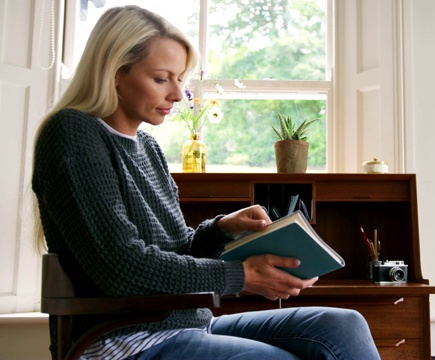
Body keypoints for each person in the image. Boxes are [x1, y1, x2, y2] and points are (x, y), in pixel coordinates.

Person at [31, 5, 379, 360]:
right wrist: (239, 276)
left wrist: (223, 229)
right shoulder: (73, 133)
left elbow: (178, 251)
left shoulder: (148, 147)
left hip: (184, 325)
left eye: (180, 79)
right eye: (161, 78)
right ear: (115, 73)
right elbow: (122, 267)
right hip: (123, 340)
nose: (178, 95)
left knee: (343, 326)